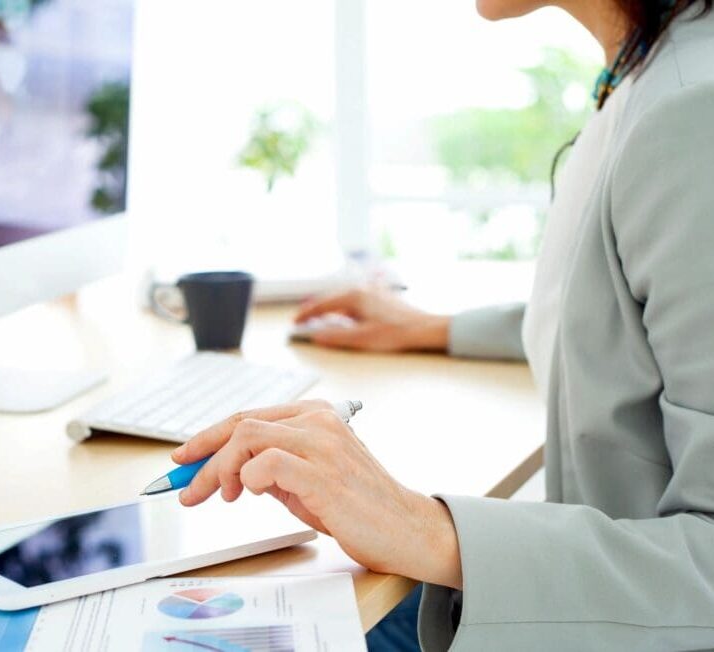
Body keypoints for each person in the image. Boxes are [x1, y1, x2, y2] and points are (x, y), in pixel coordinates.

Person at [171, 0, 714, 650]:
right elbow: (625, 322)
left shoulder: (692, 115)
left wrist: (423, 527)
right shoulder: (650, 74)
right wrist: (433, 328)